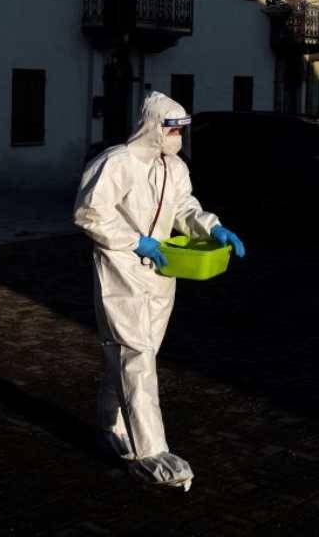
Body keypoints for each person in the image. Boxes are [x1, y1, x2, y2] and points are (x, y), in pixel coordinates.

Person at [73, 91, 245, 490]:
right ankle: (151, 453)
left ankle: (111, 426)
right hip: (121, 268)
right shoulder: (117, 163)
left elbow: (184, 208)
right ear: (152, 127)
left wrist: (212, 227)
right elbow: (89, 213)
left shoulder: (175, 168)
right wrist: (136, 241)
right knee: (135, 356)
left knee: (137, 352)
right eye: (171, 130)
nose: (177, 138)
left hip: (162, 270)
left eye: (181, 131)